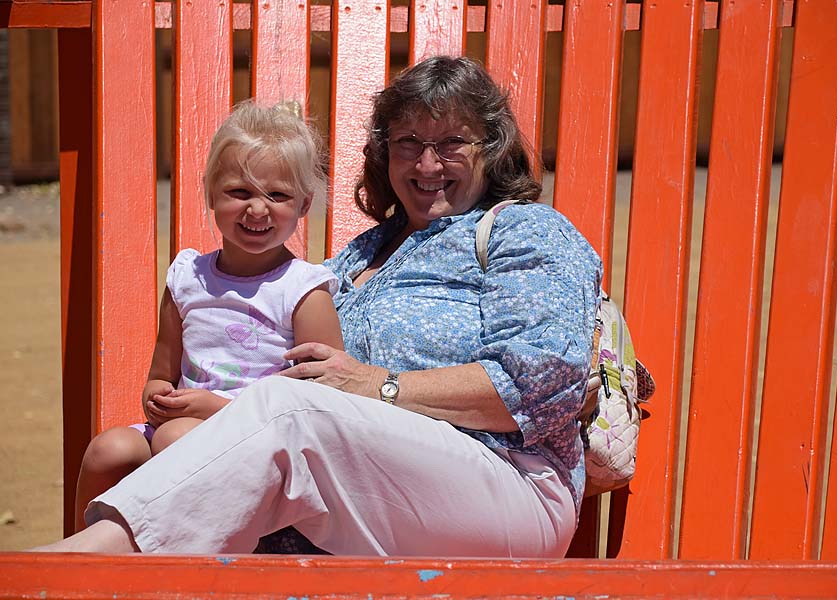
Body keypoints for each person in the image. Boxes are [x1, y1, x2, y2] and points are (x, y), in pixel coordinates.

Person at [34, 55, 602, 557]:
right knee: (136, 450)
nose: (428, 164)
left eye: (452, 143)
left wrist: (378, 385)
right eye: (408, 143)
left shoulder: (526, 232)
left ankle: (87, 562)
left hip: (504, 486)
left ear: (492, 150)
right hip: (362, 498)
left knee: (292, 408)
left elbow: (539, 384)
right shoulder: (357, 256)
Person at [71, 100, 343, 531]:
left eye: (278, 195)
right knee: (109, 449)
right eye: (240, 192)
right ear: (210, 193)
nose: (257, 209)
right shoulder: (188, 278)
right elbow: (161, 371)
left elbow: (322, 401)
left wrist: (211, 408)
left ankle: (178, 572)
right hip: (176, 428)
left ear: (305, 204)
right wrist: (159, 398)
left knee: (175, 439)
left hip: (261, 441)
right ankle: (84, 568)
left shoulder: (303, 291)